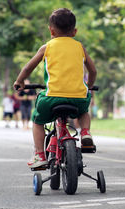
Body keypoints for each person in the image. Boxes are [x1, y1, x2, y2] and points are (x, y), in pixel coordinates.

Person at [13, 8, 97, 169]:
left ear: (51, 31)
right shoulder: (80, 47)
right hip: (78, 97)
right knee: (83, 112)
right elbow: (93, 71)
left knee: (37, 121)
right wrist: (90, 87)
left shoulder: (47, 47)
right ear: (74, 31)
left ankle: (40, 155)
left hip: (52, 98)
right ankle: (85, 132)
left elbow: (27, 68)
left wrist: (20, 81)